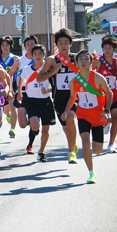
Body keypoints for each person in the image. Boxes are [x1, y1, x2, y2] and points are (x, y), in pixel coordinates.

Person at [61, 49, 112, 184]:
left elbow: (110, 93)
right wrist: (66, 111)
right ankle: (91, 172)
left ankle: (107, 124)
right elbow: (73, 97)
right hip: (83, 115)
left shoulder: (98, 78)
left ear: (91, 62)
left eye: (86, 59)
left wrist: (107, 111)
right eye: (80, 59)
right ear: (76, 63)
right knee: (85, 142)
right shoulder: (74, 81)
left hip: (98, 116)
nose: (83, 61)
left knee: (97, 150)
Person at [37, 29, 79, 163]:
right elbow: (39, 78)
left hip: (74, 96)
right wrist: (54, 71)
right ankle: (72, 143)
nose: (63, 45)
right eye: (60, 43)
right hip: (59, 99)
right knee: (66, 127)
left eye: (66, 42)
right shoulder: (52, 60)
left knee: (71, 119)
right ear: (56, 45)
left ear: (70, 44)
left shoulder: (76, 58)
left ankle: (71, 151)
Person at [16, 45, 55, 162]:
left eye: (40, 54)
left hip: (46, 101)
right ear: (32, 56)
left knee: (45, 130)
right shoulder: (27, 69)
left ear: (44, 56)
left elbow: (56, 86)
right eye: (35, 54)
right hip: (32, 100)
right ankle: (34, 131)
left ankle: (41, 151)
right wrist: (20, 93)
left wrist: (48, 90)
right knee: (35, 125)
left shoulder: (49, 69)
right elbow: (21, 80)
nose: (37, 56)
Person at [92, 35, 117, 153]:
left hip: (115, 93)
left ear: (114, 49)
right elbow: (90, 74)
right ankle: (105, 123)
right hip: (101, 95)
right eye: (105, 48)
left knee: (116, 117)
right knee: (102, 117)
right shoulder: (97, 61)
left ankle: (111, 144)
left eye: (109, 48)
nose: (107, 50)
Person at [0, 36, 20, 138]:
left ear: (11, 46)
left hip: (13, 84)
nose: (5, 47)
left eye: (7, 45)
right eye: (3, 45)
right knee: (6, 109)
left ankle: (13, 129)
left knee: (12, 105)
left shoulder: (15, 59)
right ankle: (8, 115)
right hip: (1, 85)